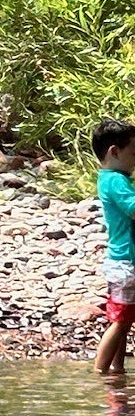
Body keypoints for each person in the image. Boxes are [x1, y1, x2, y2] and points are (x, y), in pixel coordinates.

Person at [92, 118, 135, 374]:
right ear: (114, 151)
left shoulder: (110, 178)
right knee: (119, 321)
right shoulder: (116, 181)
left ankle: (118, 371)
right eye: (134, 153)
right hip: (126, 262)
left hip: (122, 261)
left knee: (125, 319)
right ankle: (101, 372)